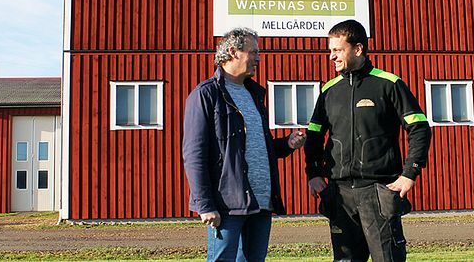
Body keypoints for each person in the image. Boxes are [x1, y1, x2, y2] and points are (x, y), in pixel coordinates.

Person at [304, 19, 432, 262]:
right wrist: (313, 172)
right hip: (340, 194)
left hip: (378, 191)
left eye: (337, 50)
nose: (331, 56)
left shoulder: (389, 84)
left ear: (358, 49)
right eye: (330, 51)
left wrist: (409, 173)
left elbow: (419, 129)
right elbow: (314, 135)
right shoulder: (329, 91)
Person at [183, 27, 306, 262]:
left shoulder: (253, 94)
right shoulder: (206, 94)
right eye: (254, 52)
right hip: (226, 204)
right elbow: (194, 153)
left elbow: (258, 146)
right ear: (233, 51)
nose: (258, 58)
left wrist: (288, 144)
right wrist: (205, 204)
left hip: (261, 202)